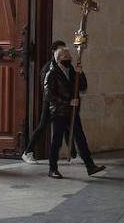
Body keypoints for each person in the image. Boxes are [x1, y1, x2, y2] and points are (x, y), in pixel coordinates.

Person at [44, 42, 106, 178]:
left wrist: (81, 73)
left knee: (80, 139)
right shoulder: (52, 73)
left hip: (72, 112)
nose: (69, 58)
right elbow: (49, 95)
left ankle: (90, 166)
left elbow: (82, 87)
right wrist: (68, 101)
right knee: (57, 141)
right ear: (58, 58)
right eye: (66, 56)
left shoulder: (71, 70)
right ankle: (52, 169)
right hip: (59, 112)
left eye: (69, 56)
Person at [21, 41, 65, 164]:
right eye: (61, 50)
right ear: (54, 52)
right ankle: (27, 152)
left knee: (67, 126)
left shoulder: (63, 66)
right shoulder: (48, 68)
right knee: (42, 126)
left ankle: (72, 154)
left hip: (61, 103)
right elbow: (47, 89)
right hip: (50, 102)